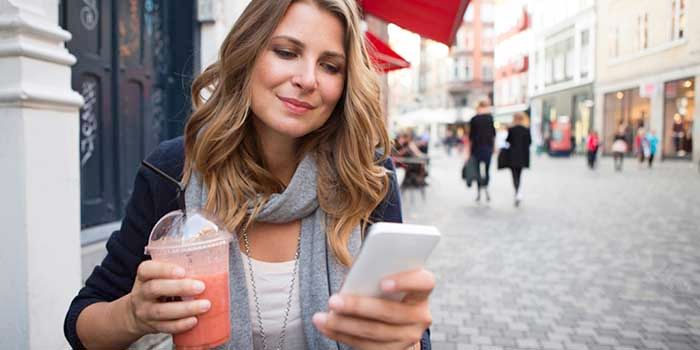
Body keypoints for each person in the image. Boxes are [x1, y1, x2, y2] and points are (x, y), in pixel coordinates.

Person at [64, 1, 434, 350]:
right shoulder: (174, 170)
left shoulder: (366, 175)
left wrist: (407, 339)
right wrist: (133, 314)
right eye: (287, 52)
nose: (308, 79)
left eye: (331, 66)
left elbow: (408, 332)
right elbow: (81, 324)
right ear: (248, 52)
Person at [469, 100, 496, 202]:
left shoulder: (474, 119)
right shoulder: (490, 118)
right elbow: (493, 135)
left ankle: (479, 192)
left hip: (476, 148)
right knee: (487, 171)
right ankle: (486, 189)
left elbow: (471, 137)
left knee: (478, 171)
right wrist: (494, 147)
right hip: (487, 147)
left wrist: (468, 152)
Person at [506, 112, 532, 206]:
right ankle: (518, 192)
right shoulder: (526, 129)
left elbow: (508, 140)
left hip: (513, 156)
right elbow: (529, 142)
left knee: (514, 175)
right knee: (519, 174)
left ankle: (517, 191)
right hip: (522, 156)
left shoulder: (511, 129)